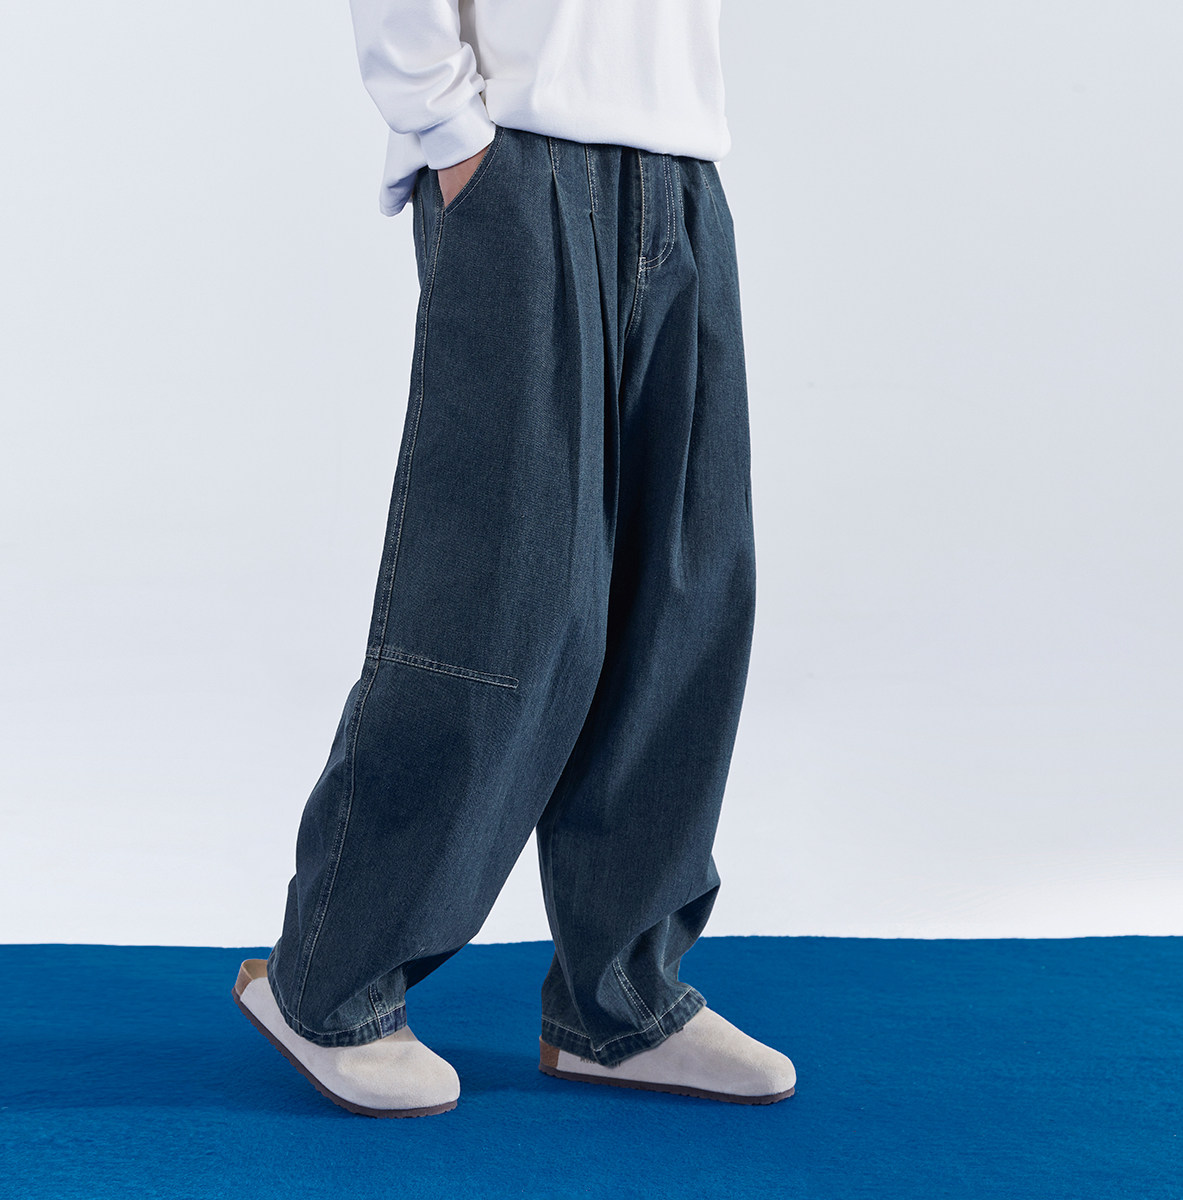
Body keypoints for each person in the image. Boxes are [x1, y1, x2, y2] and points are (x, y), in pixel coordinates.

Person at [232, 0, 796, 1116]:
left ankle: (621, 1004)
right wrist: (449, 131)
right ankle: (330, 985)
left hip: (682, 160)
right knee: (501, 604)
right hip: (518, 156)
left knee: (681, 598)